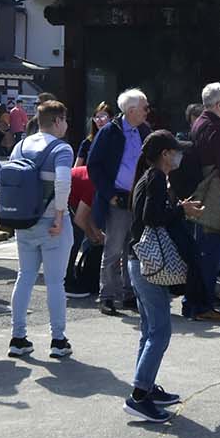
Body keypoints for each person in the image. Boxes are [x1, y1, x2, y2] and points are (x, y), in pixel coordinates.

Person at [124, 130, 198, 423]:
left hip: (139, 262)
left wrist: (179, 208)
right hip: (149, 265)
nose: (179, 155)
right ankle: (140, 396)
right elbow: (152, 217)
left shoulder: (150, 176)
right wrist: (181, 209)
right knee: (160, 332)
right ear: (166, 154)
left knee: (149, 330)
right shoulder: (155, 177)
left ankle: (147, 387)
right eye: (176, 150)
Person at [7, 100, 78, 360]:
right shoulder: (61, 148)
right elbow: (62, 182)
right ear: (58, 121)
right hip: (51, 224)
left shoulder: (20, 145)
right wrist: (59, 216)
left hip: (24, 222)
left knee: (24, 276)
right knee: (55, 282)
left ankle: (18, 337)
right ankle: (58, 340)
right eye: (65, 121)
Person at [87, 89, 150, 316]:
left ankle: (128, 293)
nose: (147, 111)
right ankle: (107, 296)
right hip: (117, 197)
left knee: (132, 248)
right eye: (144, 107)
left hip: (137, 199)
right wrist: (109, 194)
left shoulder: (145, 130)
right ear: (131, 110)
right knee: (113, 248)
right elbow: (94, 166)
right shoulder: (109, 132)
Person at [184, 83, 220, 322]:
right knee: (211, 252)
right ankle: (202, 304)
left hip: (203, 191)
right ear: (218, 105)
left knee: (202, 252)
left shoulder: (199, 124)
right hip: (215, 193)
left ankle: (193, 301)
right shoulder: (217, 129)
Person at [63, 161, 102, 299]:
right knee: (74, 238)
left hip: (68, 198)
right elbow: (79, 219)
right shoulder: (93, 184)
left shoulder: (93, 175)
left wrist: (95, 230)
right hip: (61, 200)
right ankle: (66, 281)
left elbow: (85, 211)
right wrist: (92, 234)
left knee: (75, 236)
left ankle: (67, 276)